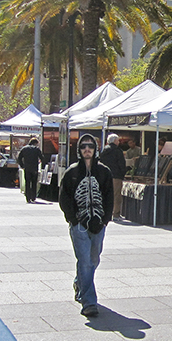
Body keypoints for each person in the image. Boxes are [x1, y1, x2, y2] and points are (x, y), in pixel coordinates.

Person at [59, 134, 114, 317]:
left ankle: (79, 282)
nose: (87, 149)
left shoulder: (104, 172)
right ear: (79, 149)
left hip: (99, 223)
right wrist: (73, 219)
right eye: (84, 146)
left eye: (90, 146)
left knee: (94, 260)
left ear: (96, 148)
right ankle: (89, 302)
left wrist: (105, 220)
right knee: (85, 262)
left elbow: (109, 196)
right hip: (79, 225)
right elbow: (64, 197)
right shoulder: (72, 172)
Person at [98, 134, 127, 220]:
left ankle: (106, 212)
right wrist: (123, 174)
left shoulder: (104, 151)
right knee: (116, 196)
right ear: (115, 141)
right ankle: (116, 214)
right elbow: (121, 164)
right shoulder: (118, 151)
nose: (118, 142)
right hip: (116, 176)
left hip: (105, 176)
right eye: (118, 140)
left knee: (106, 194)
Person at [16, 138, 43, 203]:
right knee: (34, 183)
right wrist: (39, 162)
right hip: (34, 168)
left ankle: (28, 197)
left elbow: (19, 158)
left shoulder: (24, 149)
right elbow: (42, 157)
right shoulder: (36, 149)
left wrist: (22, 166)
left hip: (27, 168)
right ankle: (33, 197)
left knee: (27, 183)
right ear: (35, 143)